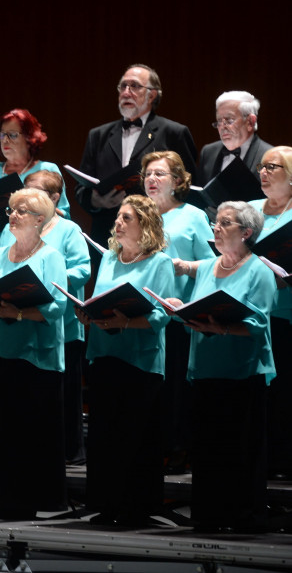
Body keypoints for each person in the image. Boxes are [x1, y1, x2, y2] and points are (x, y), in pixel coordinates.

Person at [169, 202, 275, 532]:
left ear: (246, 233)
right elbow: (198, 310)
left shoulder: (259, 270)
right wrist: (180, 309)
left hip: (241, 374)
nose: (215, 227)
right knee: (207, 450)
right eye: (215, 222)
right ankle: (207, 515)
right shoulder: (208, 267)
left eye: (224, 223)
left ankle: (240, 517)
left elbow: (258, 323)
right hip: (205, 371)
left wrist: (223, 328)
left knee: (238, 451)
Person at [79, 195, 175, 526]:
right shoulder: (109, 258)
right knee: (104, 437)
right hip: (105, 356)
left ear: (145, 225)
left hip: (140, 361)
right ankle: (107, 506)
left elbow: (162, 316)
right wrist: (89, 312)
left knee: (135, 438)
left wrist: (123, 321)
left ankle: (136, 508)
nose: (117, 223)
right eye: (118, 217)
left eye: (126, 218)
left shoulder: (160, 263)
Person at [0, 188, 67, 519]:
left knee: (31, 432)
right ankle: (1, 498)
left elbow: (58, 307)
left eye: (21, 211)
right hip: (1, 351)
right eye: (11, 209)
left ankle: (30, 500)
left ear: (40, 220)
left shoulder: (51, 256)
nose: (12, 215)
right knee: (2, 431)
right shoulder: (0, 254)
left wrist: (16, 313)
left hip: (36, 356)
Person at [0, 171, 91, 465]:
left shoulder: (68, 229)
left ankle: (70, 452)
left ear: (53, 200)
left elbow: (83, 270)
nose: (25, 201)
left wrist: (48, 281)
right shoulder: (9, 230)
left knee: (63, 396)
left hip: (59, 324)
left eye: (34, 194)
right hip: (13, 326)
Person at [141, 151, 213, 475]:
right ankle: (151, 445)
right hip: (140, 315)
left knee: (174, 385)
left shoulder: (193, 216)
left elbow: (211, 265)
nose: (151, 180)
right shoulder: (136, 213)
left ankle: (178, 446)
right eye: (147, 174)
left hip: (177, 314)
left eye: (160, 174)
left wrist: (184, 268)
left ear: (179, 181)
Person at [75, 64, 197, 248]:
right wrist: (95, 200)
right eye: (123, 86)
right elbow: (81, 188)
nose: (126, 92)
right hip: (108, 233)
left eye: (135, 86)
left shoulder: (174, 133)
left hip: (157, 232)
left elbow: (190, 186)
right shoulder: (98, 135)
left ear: (152, 94)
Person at [248, 147, 292, 481]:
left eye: (272, 167)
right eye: (261, 166)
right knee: (256, 392)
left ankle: (282, 460)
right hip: (250, 311)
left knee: (284, 392)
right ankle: (258, 459)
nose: (263, 172)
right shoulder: (248, 210)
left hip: (286, 312)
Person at [0, 108, 70, 248]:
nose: (5, 140)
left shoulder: (47, 169)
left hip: (35, 248)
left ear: (28, 137)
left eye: (12, 135)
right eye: (2, 135)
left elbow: (64, 215)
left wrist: (35, 208)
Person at [197, 91, 273, 187]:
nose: (222, 127)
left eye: (229, 120)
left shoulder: (270, 156)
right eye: (219, 121)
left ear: (250, 122)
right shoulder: (208, 152)